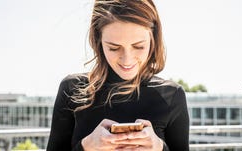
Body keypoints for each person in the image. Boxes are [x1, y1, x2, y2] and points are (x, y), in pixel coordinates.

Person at [46, 0, 189, 150]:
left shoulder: (172, 96)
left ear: (153, 39)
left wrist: (159, 147)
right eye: (114, 48)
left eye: (138, 46)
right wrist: (86, 146)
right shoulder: (72, 89)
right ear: (98, 40)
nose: (127, 60)